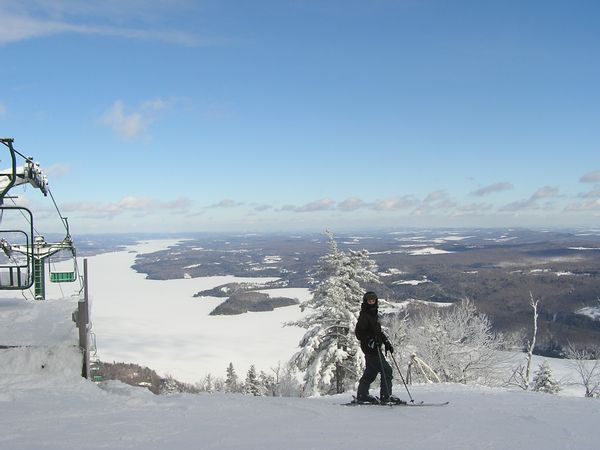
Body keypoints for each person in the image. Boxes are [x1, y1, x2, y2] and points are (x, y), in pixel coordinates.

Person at [354, 291, 401, 404]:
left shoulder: (372, 314)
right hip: (371, 349)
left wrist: (386, 342)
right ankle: (386, 396)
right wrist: (370, 341)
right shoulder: (364, 315)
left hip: (374, 348)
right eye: (369, 300)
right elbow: (359, 333)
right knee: (386, 370)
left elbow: (377, 332)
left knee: (371, 371)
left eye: (373, 300)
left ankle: (362, 394)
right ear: (366, 301)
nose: (371, 302)